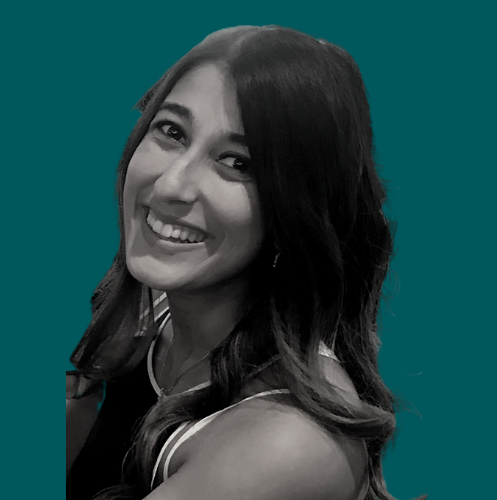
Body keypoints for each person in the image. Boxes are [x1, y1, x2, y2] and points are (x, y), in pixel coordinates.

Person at [66, 25, 427, 500]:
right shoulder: (152, 312)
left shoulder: (285, 442)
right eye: (171, 131)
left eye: (237, 163)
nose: (171, 185)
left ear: (296, 212)